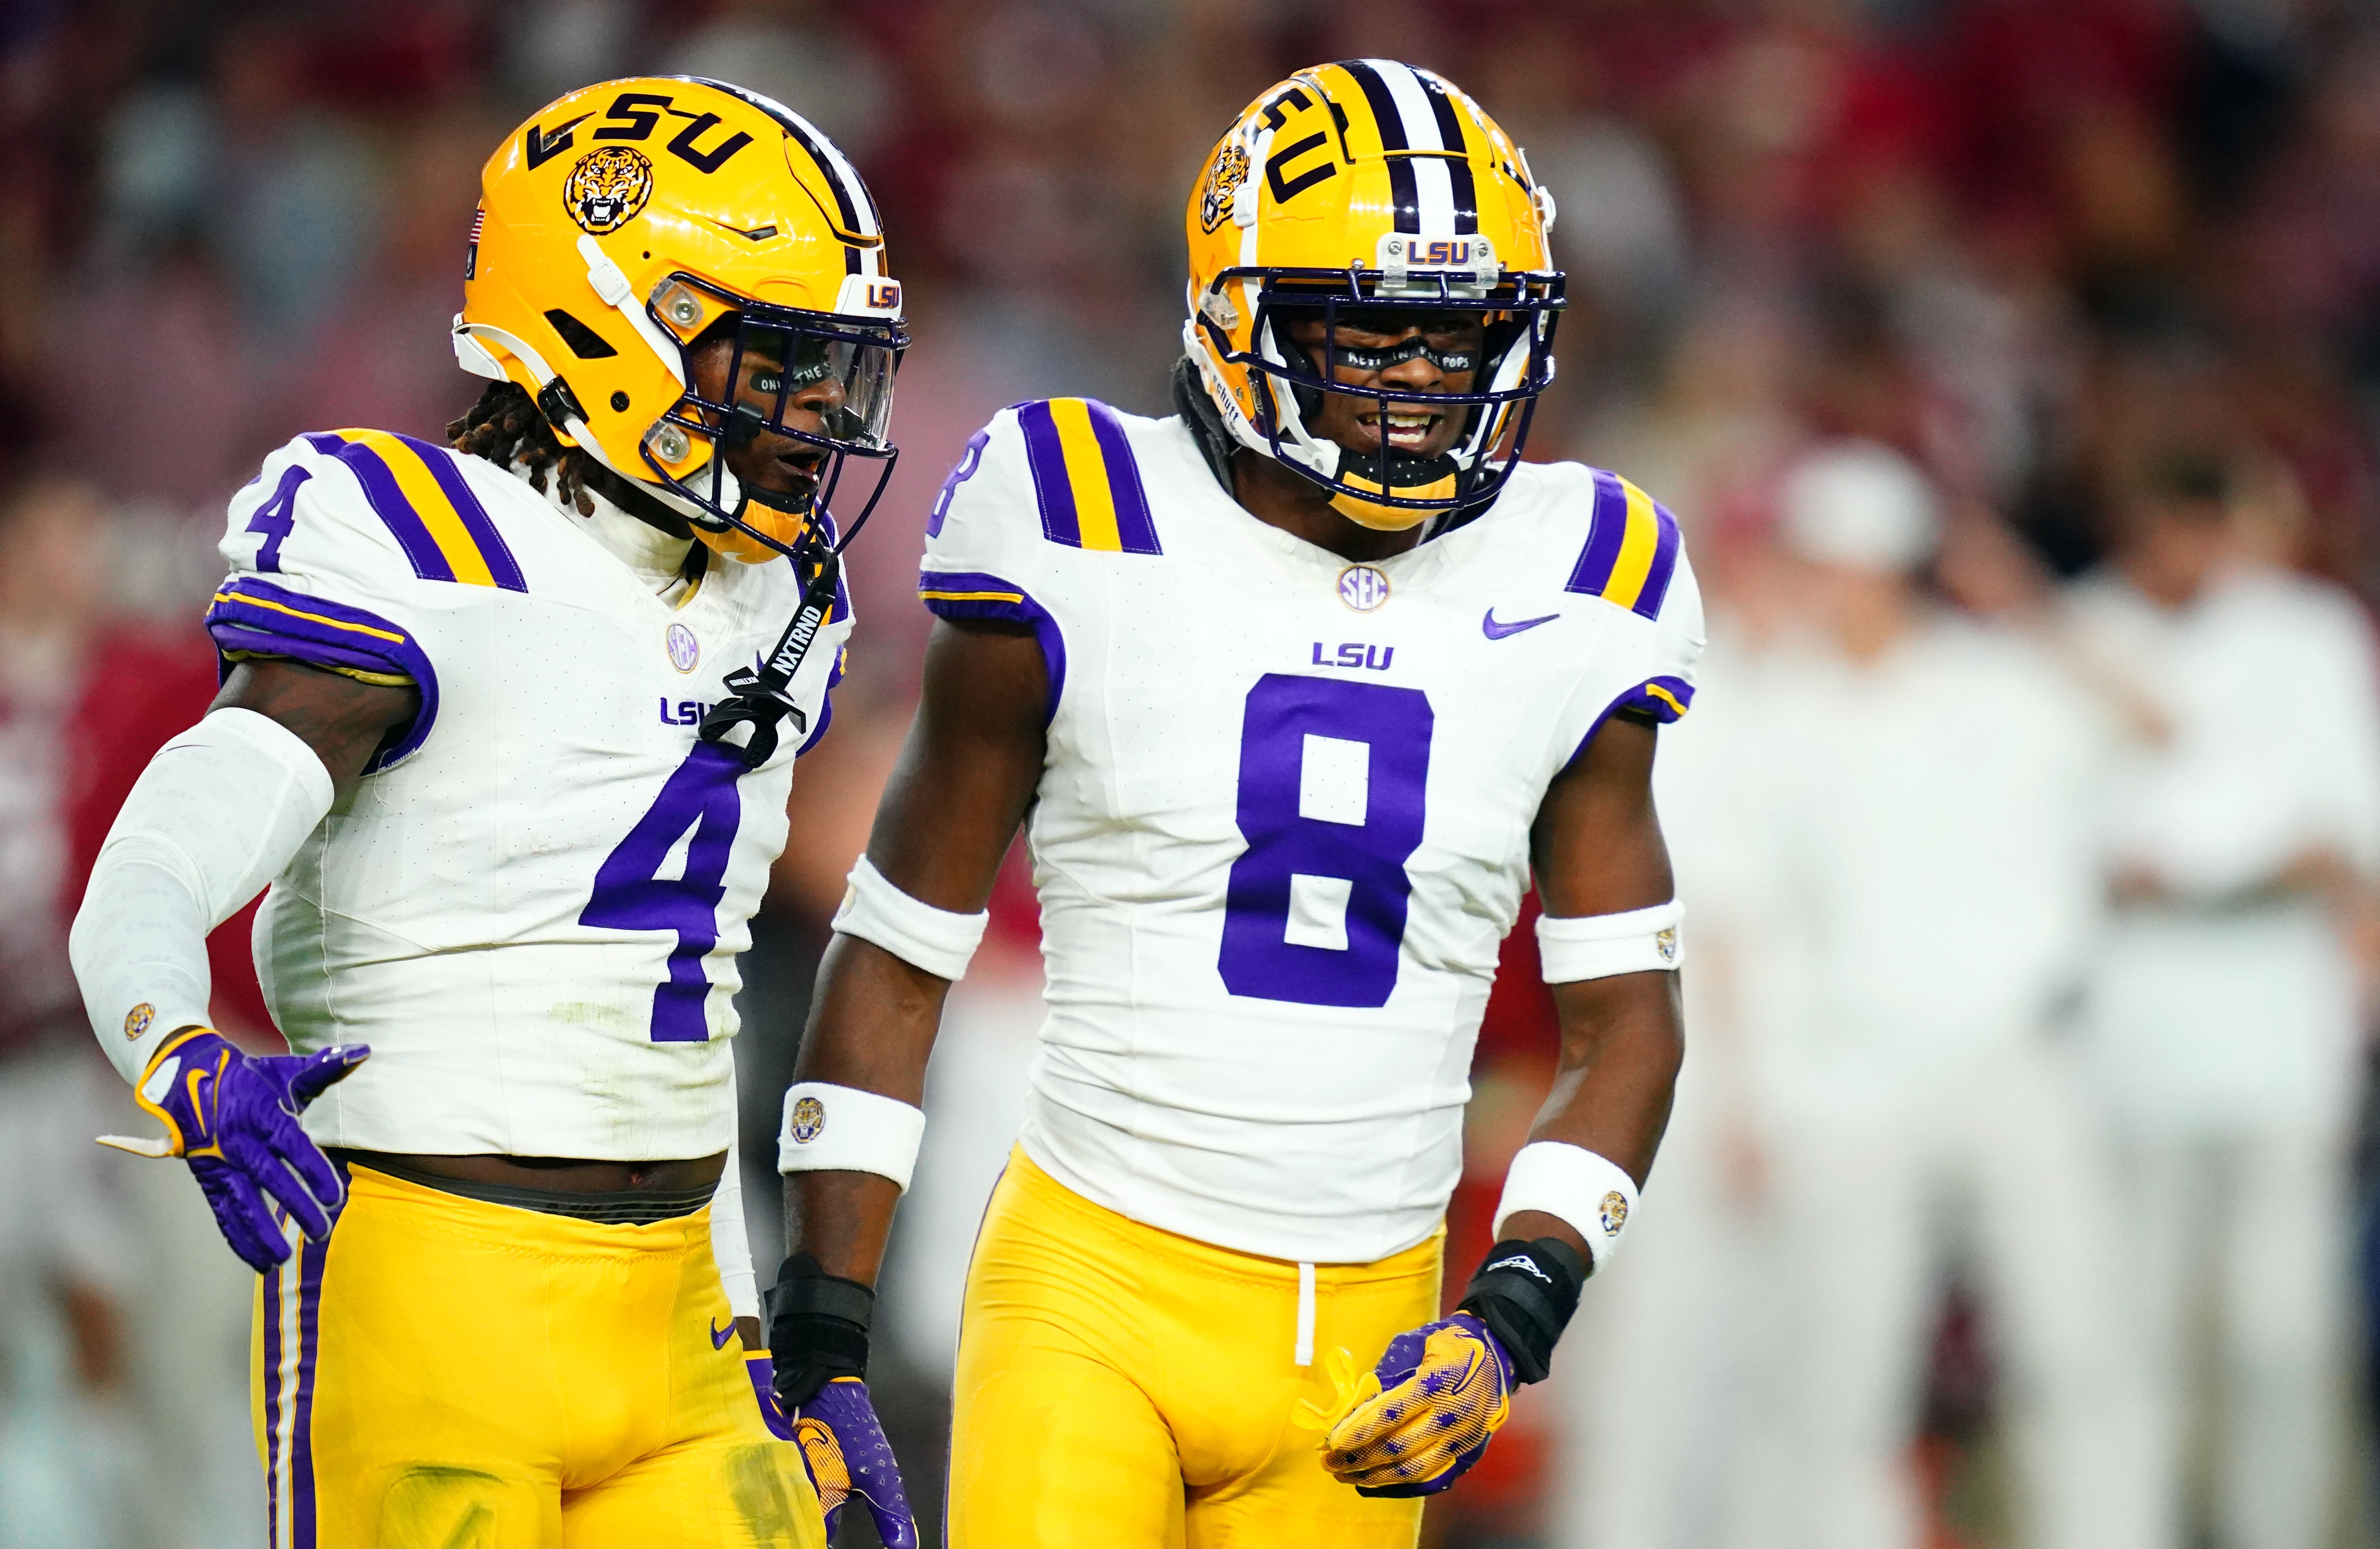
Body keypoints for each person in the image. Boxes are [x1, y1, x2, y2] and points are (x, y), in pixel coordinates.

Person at [763, 60, 1704, 1548]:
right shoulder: (1075, 514)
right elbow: (896, 948)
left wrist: (1513, 1313)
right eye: (1372, 334)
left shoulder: (1587, 569)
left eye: (1462, 341)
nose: (1422, 383)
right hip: (1091, 1288)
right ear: (1237, 319)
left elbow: (1628, 1020)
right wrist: (822, 1336)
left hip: (1375, 1332)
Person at [67, 77, 917, 1549]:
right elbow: (169, 846)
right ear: (604, 325)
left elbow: (690, 1008)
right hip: (427, 1280)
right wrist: (177, 1049)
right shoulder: (402, 534)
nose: (818, 414)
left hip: (681, 1321)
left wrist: (779, 1340)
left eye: (837, 368)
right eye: (774, 359)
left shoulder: (783, 599)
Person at [2066, 454, 2380, 1549]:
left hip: (2283, 1030)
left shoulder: (2307, 635)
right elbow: (2059, 844)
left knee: (2281, 1332)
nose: (2177, 558)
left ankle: (2280, 1533)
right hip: (2133, 1037)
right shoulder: (2083, 629)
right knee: (2135, 1329)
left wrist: (2204, 876)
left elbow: (2345, 839)